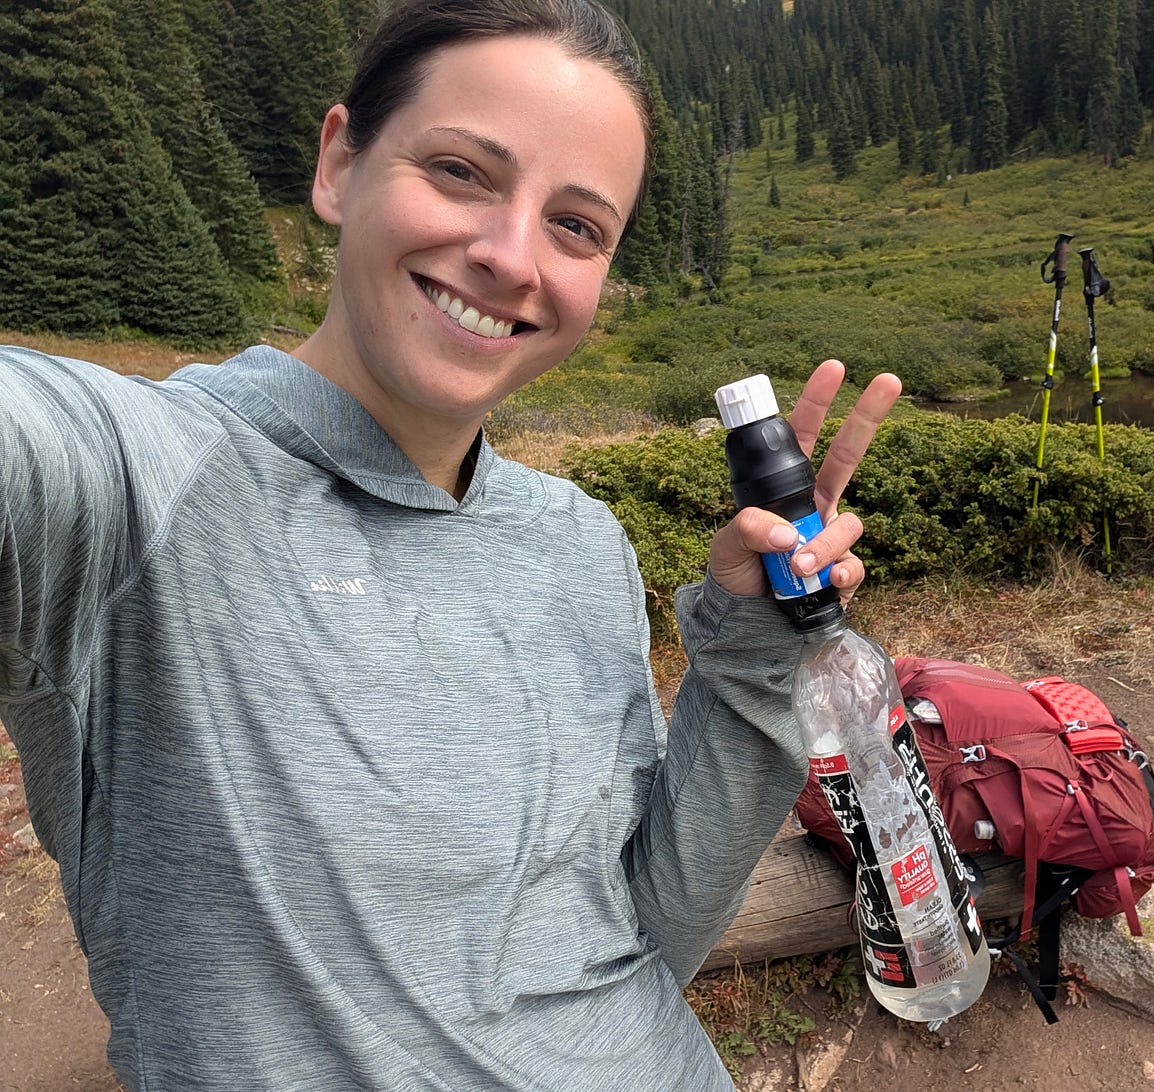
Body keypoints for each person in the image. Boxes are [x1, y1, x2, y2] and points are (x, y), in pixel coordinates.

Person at [0, 0, 902, 1088]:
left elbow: (646, 935)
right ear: (339, 165)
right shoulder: (134, 480)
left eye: (577, 225)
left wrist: (756, 652)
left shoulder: (576, 539)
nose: (510, 256)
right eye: (462, 171)